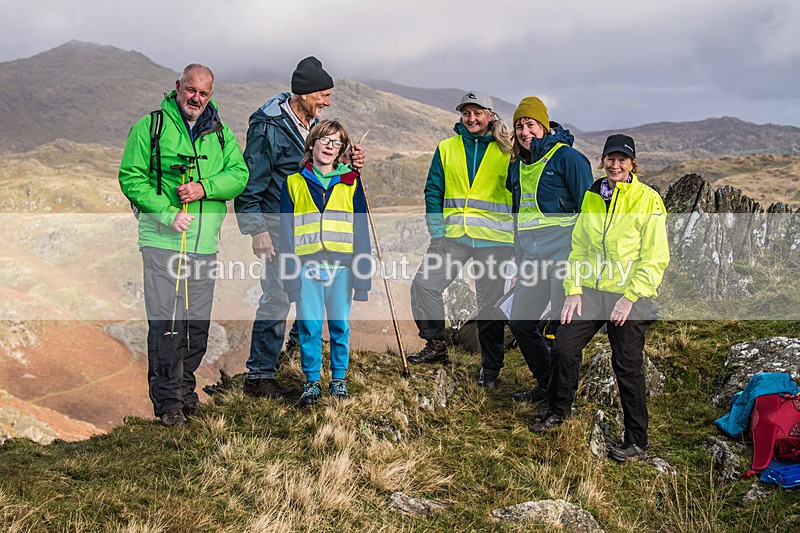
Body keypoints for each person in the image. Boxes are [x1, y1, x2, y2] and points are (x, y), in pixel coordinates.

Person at [118, 64, 248, 426]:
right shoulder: (151, 127)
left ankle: (186, 392)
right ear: (178, 86)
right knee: (167, 326)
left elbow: (239, 175)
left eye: (204, 93)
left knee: (195, 326)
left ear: (211, 95)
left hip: (203, 245)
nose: (196, 98)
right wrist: (166, 212)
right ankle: (168, 403)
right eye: (191, 90)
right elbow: (130, 177)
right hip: (162, 242)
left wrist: (204, 188)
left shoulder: (220, 134)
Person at [530, 134, 670, 464]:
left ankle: (636, 439)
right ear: (602, 160)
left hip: (629, 295)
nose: (615, 164)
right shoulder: (593, 196)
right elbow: (579, 248)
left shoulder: (648, 200)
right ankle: (558, 412)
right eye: (610, 158)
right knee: (564, 346)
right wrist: (573, 289)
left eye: (623, 159)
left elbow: (655, 258)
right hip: (591, 291)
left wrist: (630, 297)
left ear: (633, 164)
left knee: (627, 366)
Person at [235, 57, 364, 399]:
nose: (328, 101)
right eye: (323, 94)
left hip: (311, 230)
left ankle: (294, 354)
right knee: (278, 297)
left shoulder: (313, 127)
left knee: (309, 297)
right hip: (278, 228)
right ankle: (259, 375)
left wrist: (347, 164)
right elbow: (252, 183)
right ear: (304, 94)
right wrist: (256, 230)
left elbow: (322, 168)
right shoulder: (268, 128)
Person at [408, 90, 515, 388]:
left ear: (490, 115)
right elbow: (433, 191)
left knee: (489, 305)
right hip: (452, 237)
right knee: (424, 285)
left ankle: (490, 369)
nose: (471, 118)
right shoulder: (447, 148)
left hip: (495, 241)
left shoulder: (508, 149)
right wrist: (437, 232)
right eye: (466, 112)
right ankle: (435, 346)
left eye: (477, 112)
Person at [505, 97, 593, 404]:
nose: (524, 131)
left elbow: (590, 212)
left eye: (530, 124)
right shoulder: (516, 165)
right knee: (520, 323)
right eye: (519, 126)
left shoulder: (568, 158)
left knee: (561, 331)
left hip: (564, 258)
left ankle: (561, 398)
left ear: (543, 125)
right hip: (531, 260)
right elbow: (520, 219)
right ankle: (546, 383)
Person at [279, 119, 371, 405]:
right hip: (306, 269)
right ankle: (311, 382)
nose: (329, 147)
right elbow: (285, 235)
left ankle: (339, 379)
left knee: (339, 324)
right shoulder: (293, 184)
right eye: (324, 140)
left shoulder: (352, 184)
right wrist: (290, 280)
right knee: (309, 325)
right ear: (312, 143)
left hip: (342, 268)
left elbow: (361, 233)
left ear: (341, 149)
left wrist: (363, 278)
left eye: (336, 143)